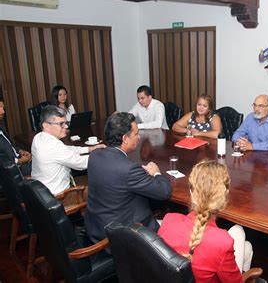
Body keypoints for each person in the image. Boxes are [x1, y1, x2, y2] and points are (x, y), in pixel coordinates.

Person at [158, 160, 253, 282]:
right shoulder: (222, 242)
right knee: (239, 232)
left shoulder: (169, 220)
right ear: (225, 195)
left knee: (247, 247)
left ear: (191, 192)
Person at [85, 112, 172, 244]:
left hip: (96, 227)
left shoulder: (94, 156)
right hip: (121, 236)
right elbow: (164, 191)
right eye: (136, 134)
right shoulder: (129, 169)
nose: (138, 137)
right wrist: (156, 173)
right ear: (125, 138)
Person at [31, 105, 105, 195]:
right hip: (59, 196)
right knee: (100, 187)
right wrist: (104, 156)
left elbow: (66, 149)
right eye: (61, 124)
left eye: (66, 123)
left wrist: (89, 149)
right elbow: (80, 163)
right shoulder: (53, 145)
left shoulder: (39, 137)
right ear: (46, 126)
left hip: (42, 193)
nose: (66, 126)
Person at [0, 98, 32, 175]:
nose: (3, 111)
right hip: (13, 170)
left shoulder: (1, 126)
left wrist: (20, 151)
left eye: (3, 108)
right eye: (0, 107)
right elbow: (2, 161)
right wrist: (20, 161)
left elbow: (10, 146)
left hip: (19, 161)